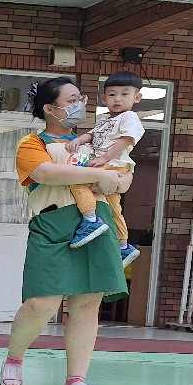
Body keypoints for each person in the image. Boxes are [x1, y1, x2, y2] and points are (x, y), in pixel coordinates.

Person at [0, 78, 131, 385]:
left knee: (87, 303)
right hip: (53, 224)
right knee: (41, 301)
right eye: (72, 100)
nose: (80, 104)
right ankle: (14, 359)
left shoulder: (98, 141)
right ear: (49, 108)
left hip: (98, 223)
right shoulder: (32, 143)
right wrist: (99, 175)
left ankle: (76, 378)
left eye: (81, 98)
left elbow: (124, 178)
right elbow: (45, 173)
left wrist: (112, 178)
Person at [67, 71, 145, 267]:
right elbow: (92, 135)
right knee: (113, 207)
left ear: (137, 98)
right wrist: (78, 140)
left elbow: (126, 139)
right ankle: (123, 245)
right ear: (104, 99)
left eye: (124, 94)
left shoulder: (129, 117)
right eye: (112, 94)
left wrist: (104, 158)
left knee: (77, 182)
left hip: (114, 163)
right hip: (108, 164)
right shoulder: (105, 120)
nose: (117, 99)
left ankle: (90, 220)